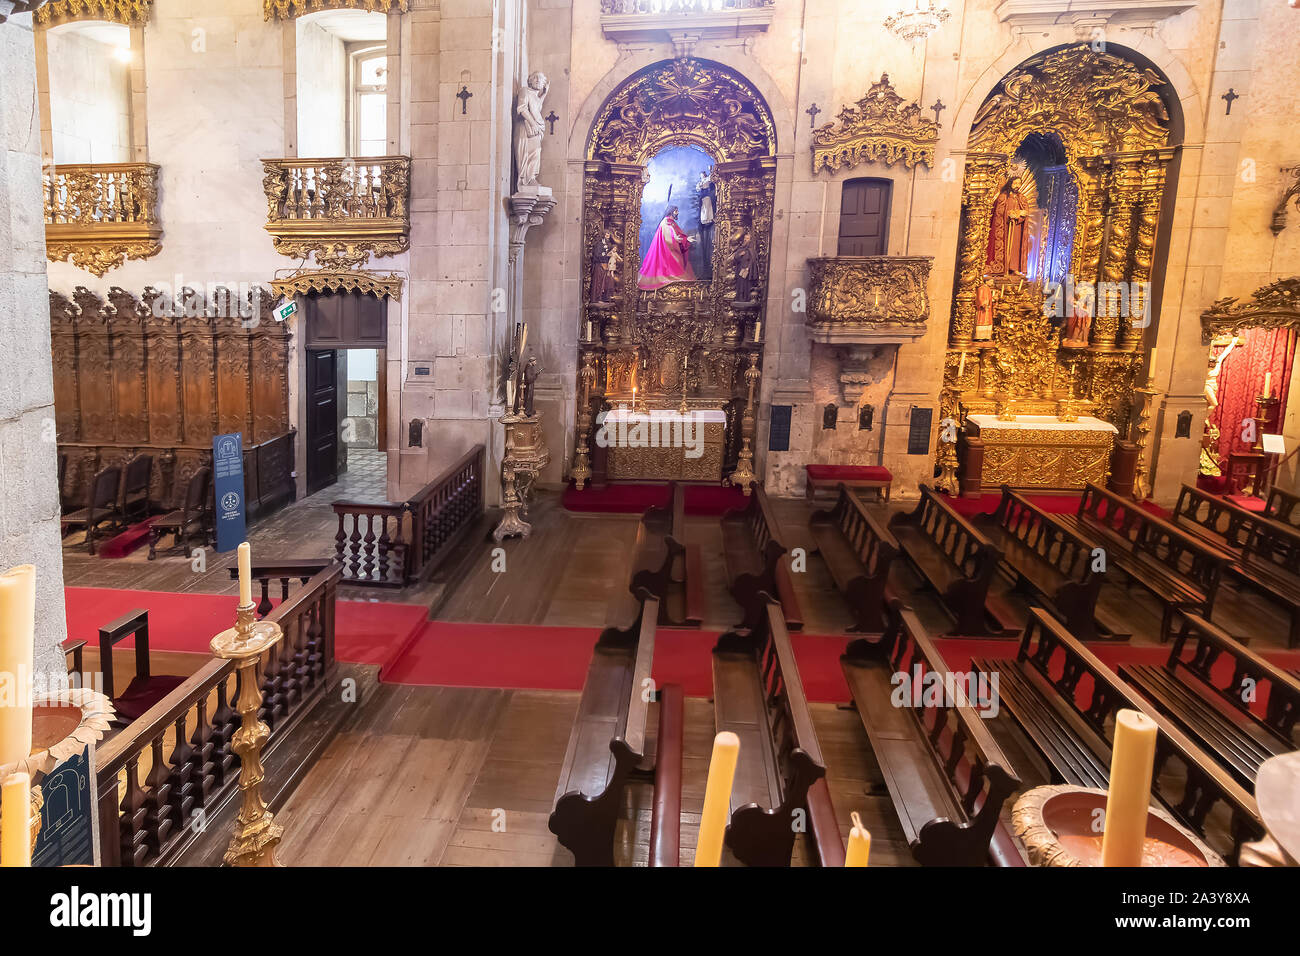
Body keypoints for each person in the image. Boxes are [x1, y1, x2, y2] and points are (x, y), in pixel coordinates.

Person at [638, 204, 695, 290]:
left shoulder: (672, 222)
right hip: (667, 250)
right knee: (671, 264)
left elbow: (677, 233)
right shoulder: (666, 222)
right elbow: (669, 235)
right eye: (676, 211)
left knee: (677, 262)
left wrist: (685, 239)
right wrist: (678, 239)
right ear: (671, 212)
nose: (677, 212)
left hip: (673, 248)